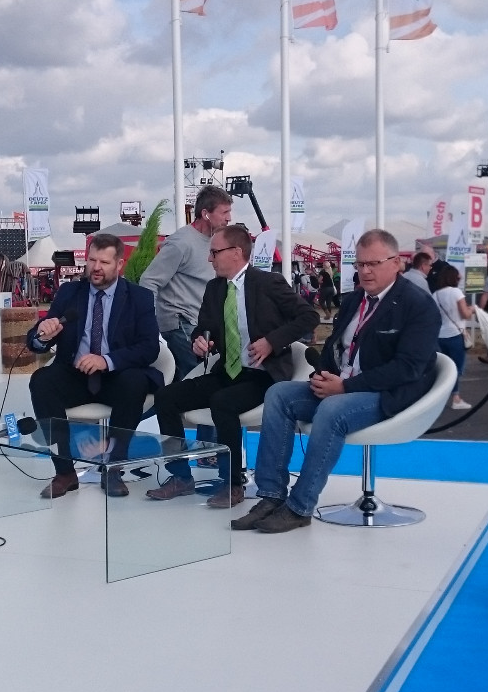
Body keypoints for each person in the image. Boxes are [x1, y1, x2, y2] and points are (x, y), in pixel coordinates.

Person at [233, 229, 440, 534]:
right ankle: (271, 495)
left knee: (333, 410)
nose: (365, 271)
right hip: (341, 385)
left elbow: (408, 368)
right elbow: (336, 347)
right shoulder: (355, 299)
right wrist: (322, 375)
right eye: (360, 264)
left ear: (396, 262)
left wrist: (345, 387)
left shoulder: (418, 305)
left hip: (387, 393)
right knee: (279, 395)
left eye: (373, 264)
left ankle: (299, 507)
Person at [146, 225, 318, 507]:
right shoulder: (214, 288)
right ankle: (180, 476)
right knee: (166, 397)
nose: (209, 259)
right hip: (227, 371)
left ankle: (232, 483)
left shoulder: (268, 283)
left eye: (214, 252)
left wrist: (272, 341)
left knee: (222, 402)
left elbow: (308, 317)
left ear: (236, 252)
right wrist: (200, 340)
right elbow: (204, 327)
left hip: (264, 375)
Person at [27, 233, 162, 499]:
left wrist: (106, 360)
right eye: (91, 260)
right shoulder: (70, 293)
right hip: (75, 374)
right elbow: (36, 339)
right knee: (41, 380)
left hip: (116, 375)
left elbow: (150, 348)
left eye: (104, 262)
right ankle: (64, 472)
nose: (96, 267)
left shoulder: (139, 297)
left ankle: (113, 469)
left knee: (134, 382)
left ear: (119, 264)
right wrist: (42, 335)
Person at [140, 186, 233, 383]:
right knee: (199, 377)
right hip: (180, 322)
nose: (229, 218)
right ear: (206, 214)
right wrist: (149, 323)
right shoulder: (180, 243)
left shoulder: (215, 241)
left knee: (194, 378)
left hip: (199, 322)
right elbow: (149, 280)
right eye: (224, 212)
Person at [430, 263, 475, 410]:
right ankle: (456, 398)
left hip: (440, 335)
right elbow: (465, 314)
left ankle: (438, 398)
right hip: (455, 334)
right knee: (456, 368)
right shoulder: (456, 292)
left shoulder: (435, 295)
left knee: (442, 368)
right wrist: (472, 309)